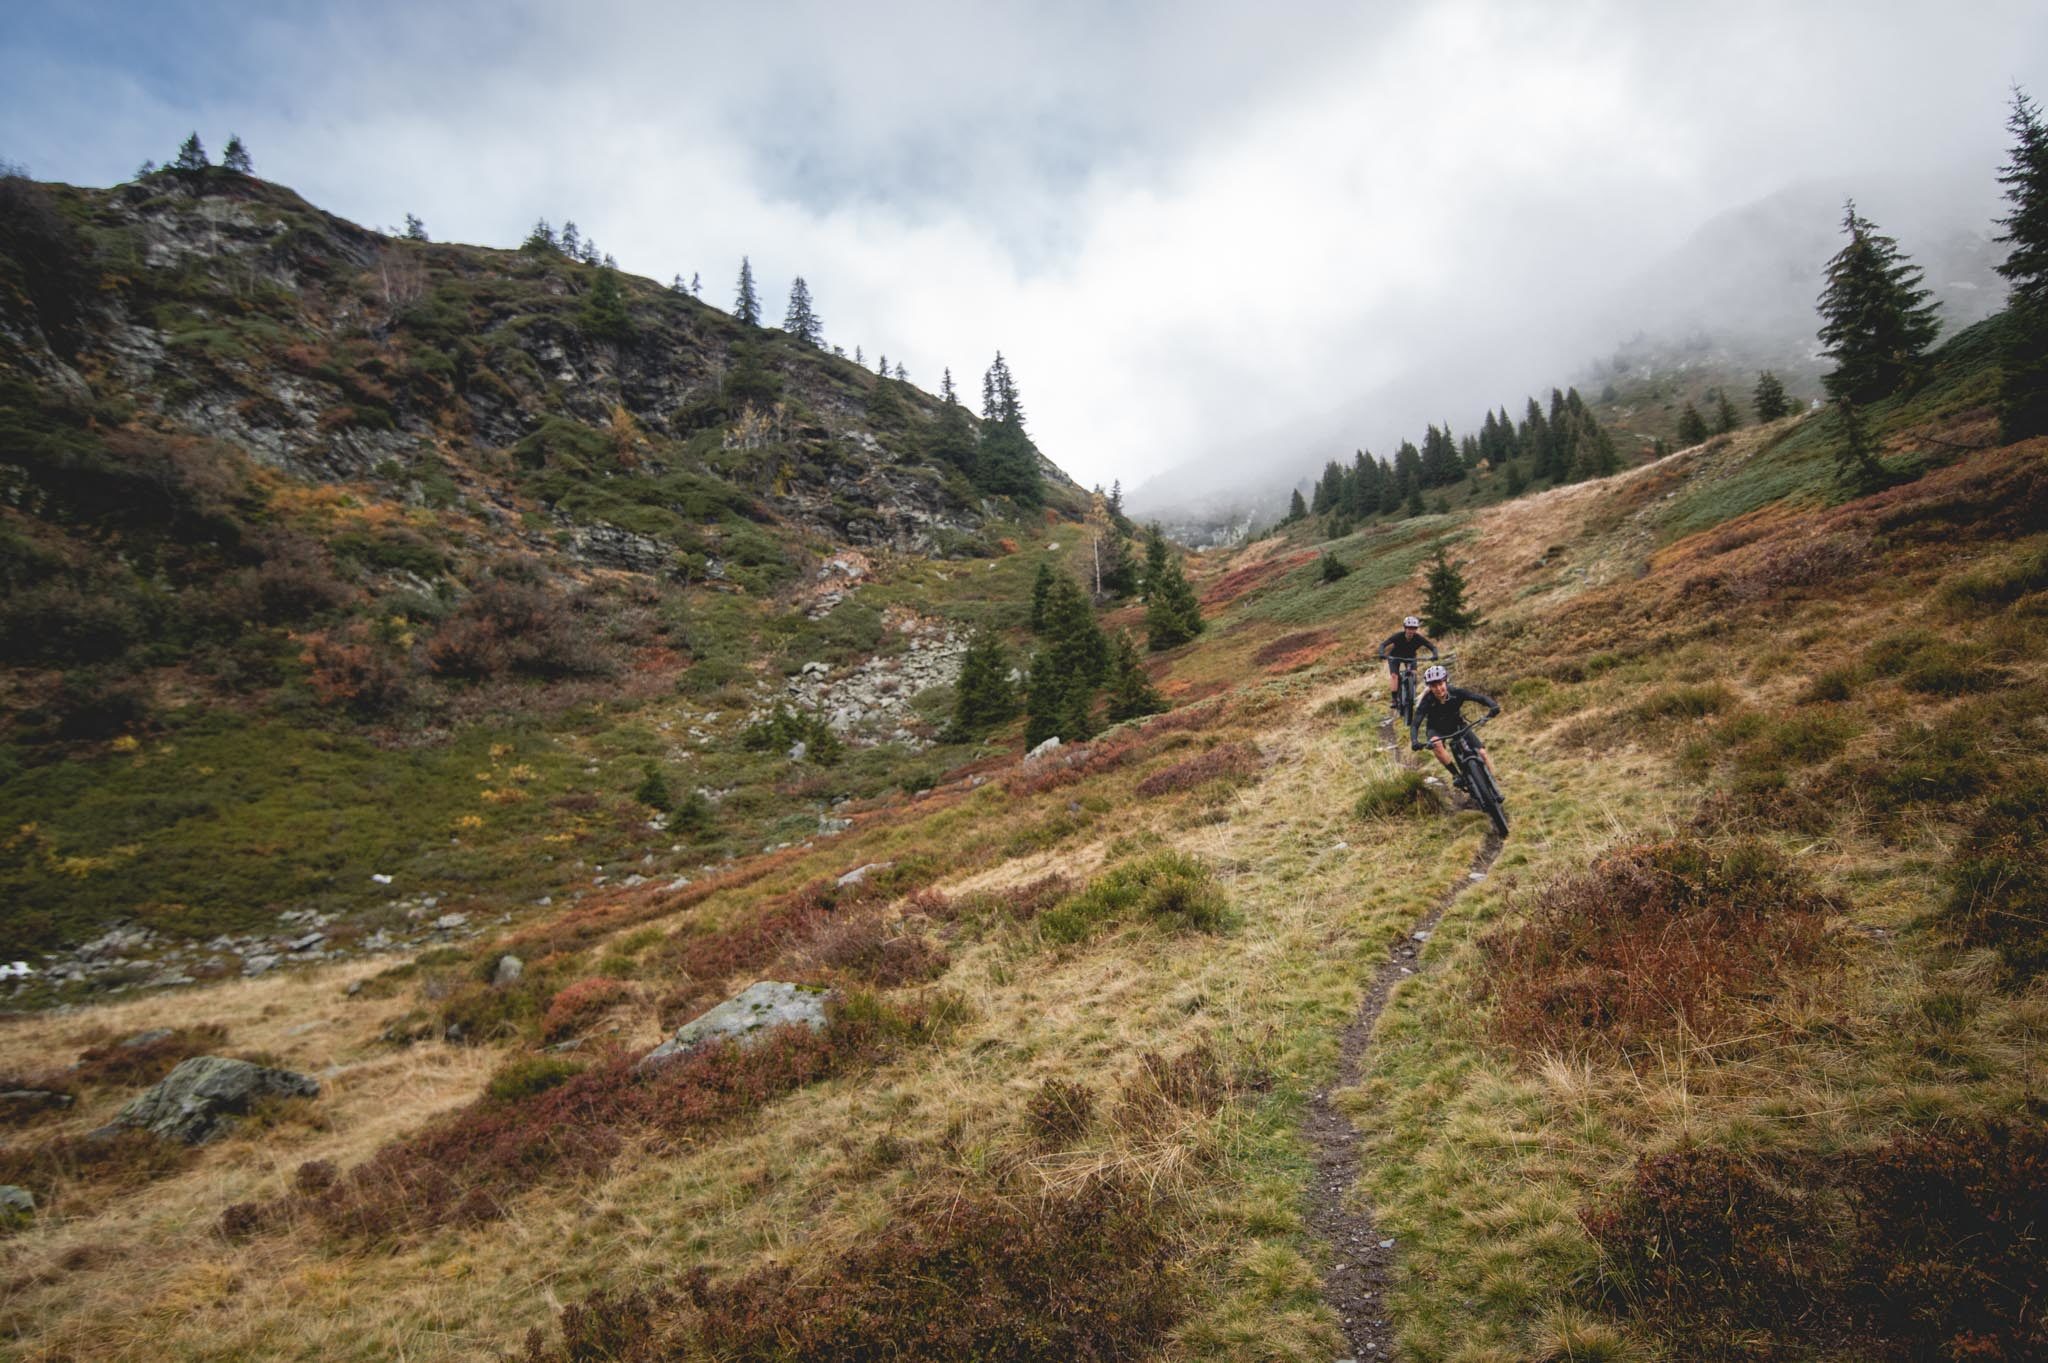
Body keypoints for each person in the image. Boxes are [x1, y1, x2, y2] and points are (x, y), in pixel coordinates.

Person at [1410, 664, 1500, 792]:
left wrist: (1493, 706)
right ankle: (1456, 775)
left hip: (1458, 725)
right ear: (1429, 687)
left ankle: (1494, 784)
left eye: (1440, 684)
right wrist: (1414, 741)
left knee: (1482, 753)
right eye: (1434, 686)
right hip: (1436, 729)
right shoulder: (1427, 701)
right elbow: (1415, 724)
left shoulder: (1456, 693)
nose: (1438, 688)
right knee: (1435, 744)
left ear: (1446, 681)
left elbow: (1478, 697)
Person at [1376, 616, 1439, 714]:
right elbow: (1383, 645)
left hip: (1410, 657)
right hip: (1395, 657)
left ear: (1416, 629)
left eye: (1413, 628)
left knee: (1413, 674)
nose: (1411, 631)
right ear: (1405, 628)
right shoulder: (1398, 636)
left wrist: (1435, 655)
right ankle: (1394, 699)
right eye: (1409, 628)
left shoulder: (1418, 638)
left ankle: (1411, 693)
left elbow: (1432, 647)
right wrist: (1381, 653)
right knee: (1394, 676)